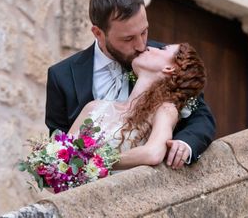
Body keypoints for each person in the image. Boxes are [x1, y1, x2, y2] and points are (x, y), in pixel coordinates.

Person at [45, 0, 216, 169]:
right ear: (98, 33)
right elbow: (59, 151)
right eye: (128, 38)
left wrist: (184, 144)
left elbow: (201, 116)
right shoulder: (62, 77)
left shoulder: (161, 60)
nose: (141, 45)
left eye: (144, 32)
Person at [68, 42, 206, 170]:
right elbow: (59, 157)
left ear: (169, 68)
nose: (148, 47)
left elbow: (153, 153)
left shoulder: (165, 110)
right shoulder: (94, 107)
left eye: (162, 49)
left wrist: (98, 163)